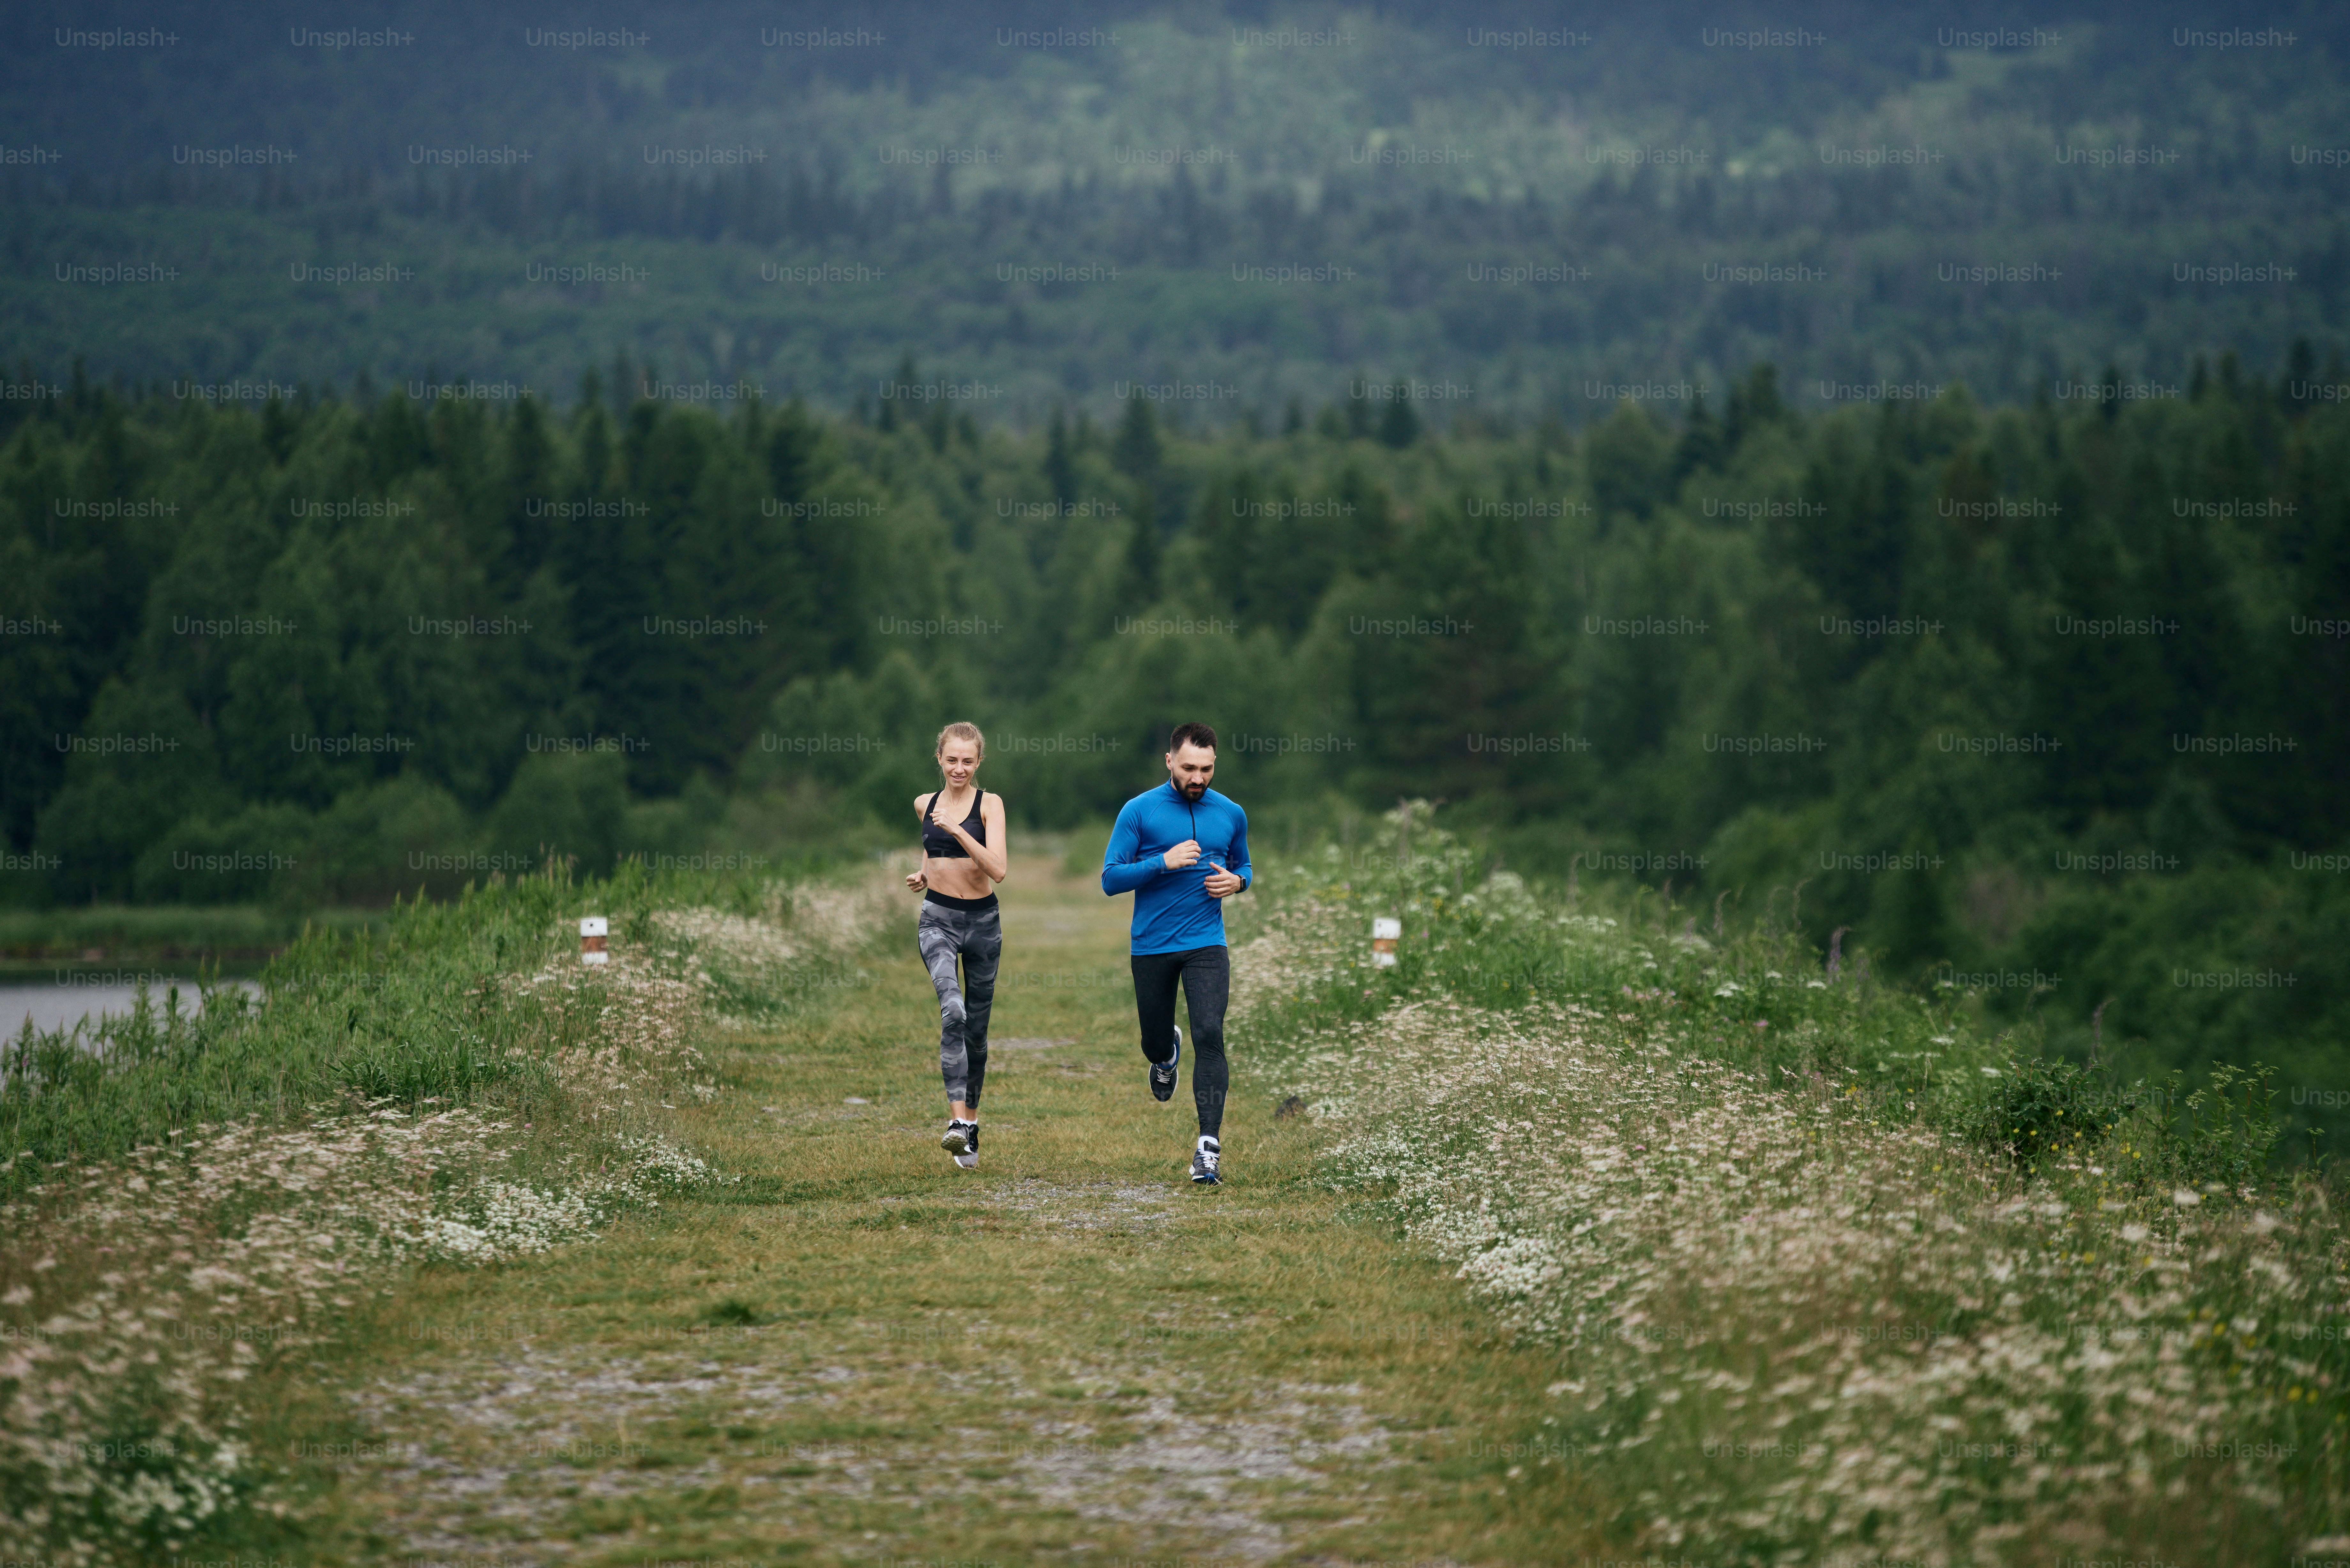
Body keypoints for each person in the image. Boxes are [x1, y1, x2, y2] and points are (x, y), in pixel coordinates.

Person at [1101, 721, 1251, 1185]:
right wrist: (1160, 863)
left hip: (1207, 943)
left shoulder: (1231, 813)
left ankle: (1208, 1148)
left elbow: (1243, 862)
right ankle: (1165, 1056)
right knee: (1153, 1041)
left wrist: (1239, 882)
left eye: (1207, 769)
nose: (1198, 778)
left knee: (1210, 1032)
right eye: (1189, 768)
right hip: (1152, 946)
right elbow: (1110, 878)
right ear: (1170, 761)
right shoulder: (1138, 811)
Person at [906, 721, 1008, 1169]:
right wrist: (924, 873)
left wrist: (960, 830)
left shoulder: (991, 805)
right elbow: (932, 846)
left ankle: (971, 1122)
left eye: (968, 761)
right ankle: (955, 1125)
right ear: (940, 760)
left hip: (983, 923)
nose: (959, 768)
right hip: (937, 921)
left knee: (978, 1035)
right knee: (954, 1011)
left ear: (978, 762)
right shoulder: (924, 804)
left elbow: (998, 869)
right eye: (952, 760)